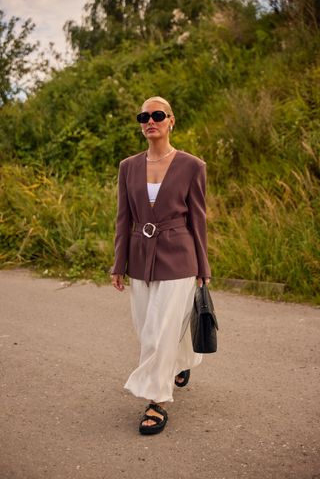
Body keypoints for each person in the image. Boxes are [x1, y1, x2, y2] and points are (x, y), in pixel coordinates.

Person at [110, 96, 211, 435]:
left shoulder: (192, 166)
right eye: (144, 115)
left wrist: (203, 268)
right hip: (140, 258)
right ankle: (180, 363)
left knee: (160, 331)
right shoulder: (128, 167)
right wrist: (118, 262)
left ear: (171, 121)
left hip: (179, 258)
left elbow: (198, 219)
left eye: (157, 114)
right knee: (146, 329)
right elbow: (123, 219)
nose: (150, 120)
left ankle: (157, 401)